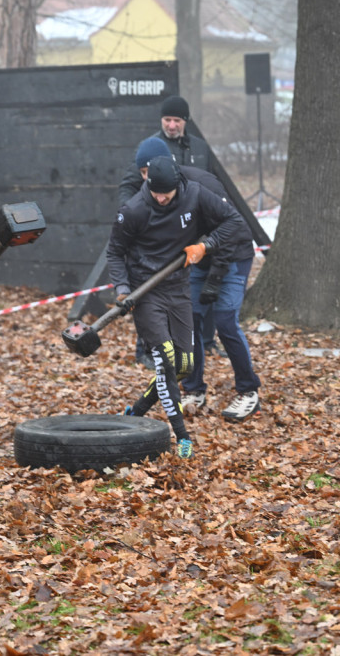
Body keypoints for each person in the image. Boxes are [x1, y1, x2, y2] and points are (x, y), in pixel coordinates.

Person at [107, 156, 249, 458]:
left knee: (184, 367)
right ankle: (182, 437)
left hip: (178, 288)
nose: (160, 198)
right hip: (145, 292)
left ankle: (137, 411)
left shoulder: (195, 194)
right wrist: (122, 289)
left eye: (166, 194)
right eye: (155, 192)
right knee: (167, 360)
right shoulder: (134, 210)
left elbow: (234, 222)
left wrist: (205, 245)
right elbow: (114, 252)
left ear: (177, 186)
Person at [123, 137, 261, 421]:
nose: (149, 181)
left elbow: (231, 229)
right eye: (144, 175)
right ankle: (194, 389)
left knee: (224, 320)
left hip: (232, 255)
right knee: (190, 320)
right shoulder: (156, 194)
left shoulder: (203, 185)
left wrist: (215, 277)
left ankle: (249, 392)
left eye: (152, 172)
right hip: (197, 259)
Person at [118, 97, 227, 360]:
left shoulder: (199, 149)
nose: (172, 125)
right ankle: (146, 349)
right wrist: (136, 216)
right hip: (160, 234)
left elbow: (212, 182)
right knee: (151, 291)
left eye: (177, 120)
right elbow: (127, 186)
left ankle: (205, 340)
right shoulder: (151, 148)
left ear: (185, 122)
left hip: (197, 232)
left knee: (205, 285)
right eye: (167, 120)